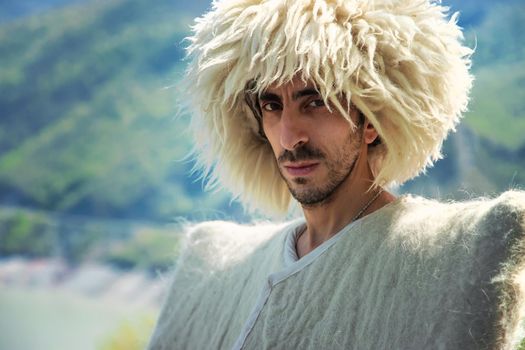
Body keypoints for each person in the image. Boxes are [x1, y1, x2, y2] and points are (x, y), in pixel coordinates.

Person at [148, 0, 525, 349]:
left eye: (315, 101)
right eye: (272, 105)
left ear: (370, 121)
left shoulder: (450, 262)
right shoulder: (215, 260)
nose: (289, 136)